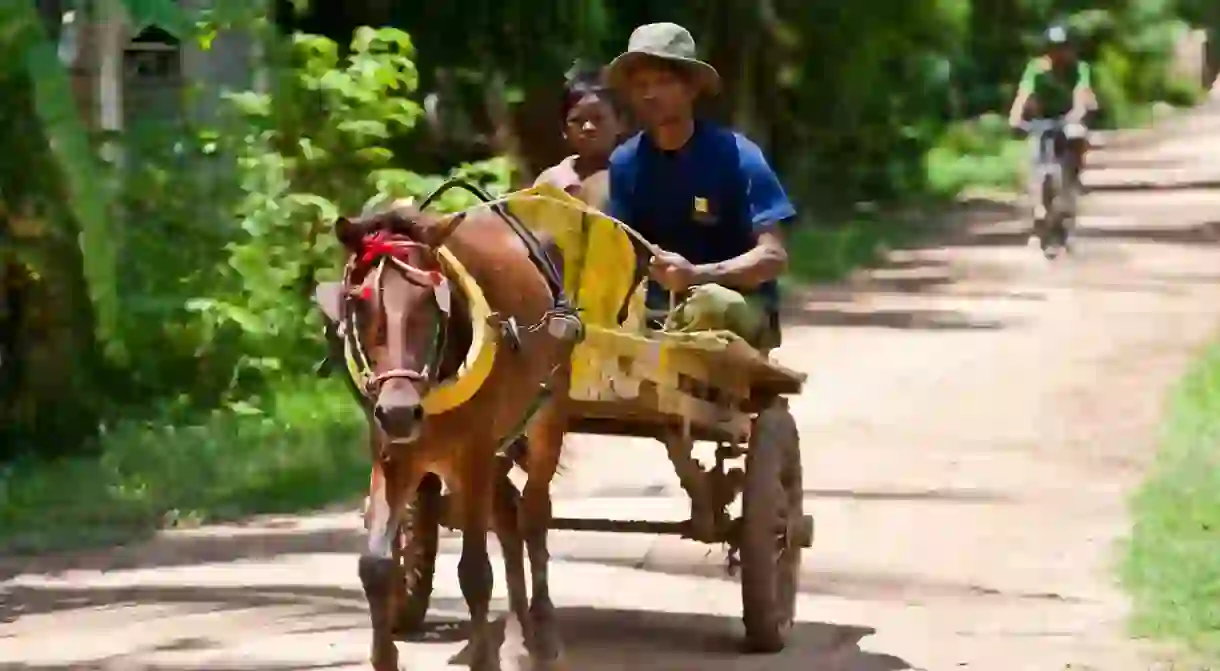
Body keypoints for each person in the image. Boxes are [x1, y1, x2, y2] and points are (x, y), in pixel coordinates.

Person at [604, 22, 795, 351]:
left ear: (691, 89)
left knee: (707, 304)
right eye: (641, 84)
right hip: (657, 312)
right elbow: (621, 255)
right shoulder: (625, 163)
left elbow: (774, 256)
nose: (650, 94)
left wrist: (697, 275)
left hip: (737, 305)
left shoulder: (738, 156)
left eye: (663, 82)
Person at [1008, 24, 1097, 186]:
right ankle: (1036, 187)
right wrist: (1015, 115)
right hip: (1042, 118)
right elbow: (1024, 92)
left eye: (1063, 48)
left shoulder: (1079, 69)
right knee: (1034, 150)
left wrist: (1078, 112)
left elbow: (1081, 91)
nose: (1058, 53)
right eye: (1054, 48)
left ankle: (1073, 176)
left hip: (1068, 117)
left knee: (1076, 134)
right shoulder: (1036, 68)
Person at [533, 62, 627, 211]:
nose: (588, 128)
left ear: (620, 123)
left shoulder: (633, 175)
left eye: (598, 118)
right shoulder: (551, 182)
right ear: (564, 129)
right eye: (577, 120)